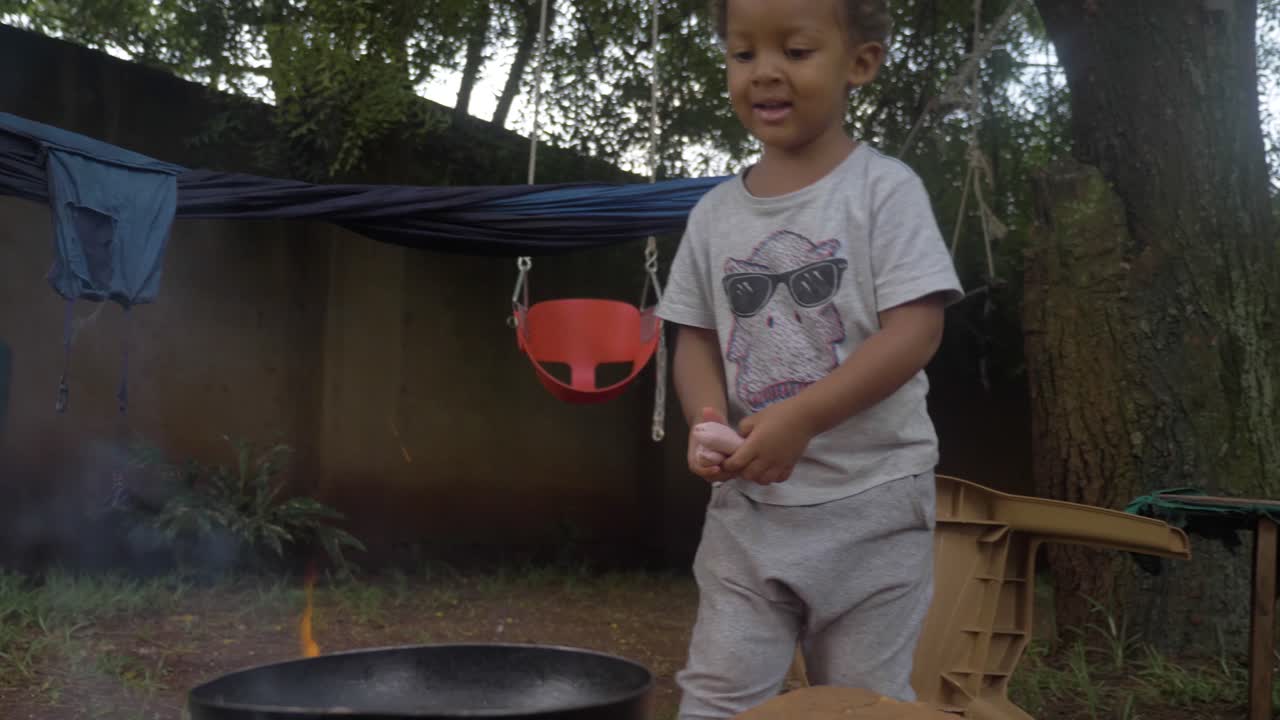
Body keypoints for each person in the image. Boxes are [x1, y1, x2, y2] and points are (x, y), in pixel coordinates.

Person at [653, 0, 965, 716]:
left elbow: (916, 330)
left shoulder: (885, 192)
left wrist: (803, 417)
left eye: (795, 52)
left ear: (861, 63)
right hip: (752, 507)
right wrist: (707, 419)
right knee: (717, 696)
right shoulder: (713, 216)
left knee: (855, 702)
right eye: (742, 54)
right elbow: (693, 333)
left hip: (874, 501)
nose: (764, 73)